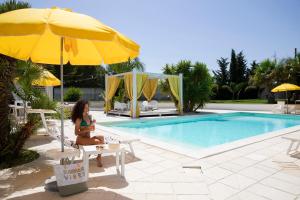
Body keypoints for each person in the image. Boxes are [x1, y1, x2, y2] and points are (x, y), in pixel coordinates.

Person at [71, 100, 104, 167]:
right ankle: (99, 158)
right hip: (81, 139)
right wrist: (86, 130)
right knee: (98, 142)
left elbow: (90, 127)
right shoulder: (79, 119)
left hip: (88, 138)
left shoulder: (88, 116)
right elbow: (76, 132)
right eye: (85, 107)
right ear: (81, 108)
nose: (87, 109)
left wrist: (92, 124)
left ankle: (96, 155)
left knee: (102, 137)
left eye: (87, 107)